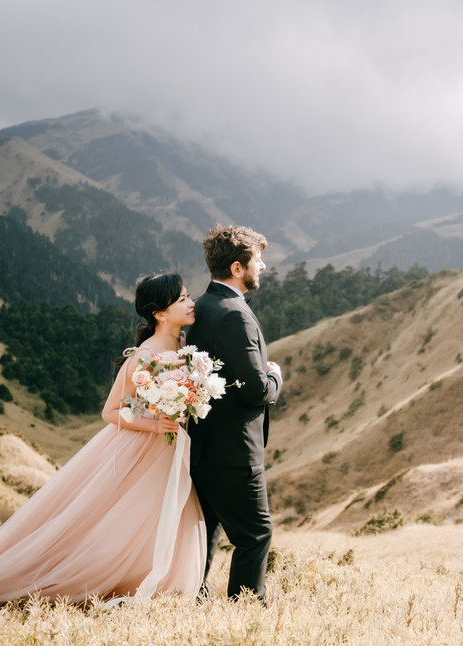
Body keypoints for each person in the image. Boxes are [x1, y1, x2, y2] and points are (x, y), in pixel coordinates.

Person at [0, 273, 205, 617]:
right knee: (116, 520)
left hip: (170, 450)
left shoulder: (185, 347)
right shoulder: (144, 356)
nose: (191, 302)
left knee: (158, 516)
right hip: (140, 450)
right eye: (183, 298)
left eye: (188, 297)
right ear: (159, 313)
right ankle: (70, 578)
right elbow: (112, 411)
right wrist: (155, 423)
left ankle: (150, 579)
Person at [188, 225, 282, 602]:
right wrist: (275, 375)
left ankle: (194, 595)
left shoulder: (203, 306)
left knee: (207, 531)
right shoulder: (234, 315)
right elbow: (257, 390)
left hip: (205, 446)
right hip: (234, 451)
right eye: (257, 259)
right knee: (255, 533)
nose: (264, 265)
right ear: (238, 268)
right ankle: (246, 607)